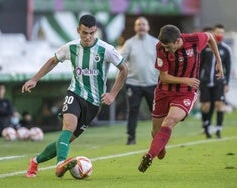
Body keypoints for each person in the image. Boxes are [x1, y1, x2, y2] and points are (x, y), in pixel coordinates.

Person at [22, 14, 128, 178]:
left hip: (93, 103)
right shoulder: (70, 47)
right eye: (85, 33)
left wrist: (113, 94)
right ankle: (60, 164)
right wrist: (35, 79)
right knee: (68, 127)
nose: (88, 37)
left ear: (96, 31)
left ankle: (35, 161)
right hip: (75, 93)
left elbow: (124, 69)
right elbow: (53, 61)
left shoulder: (106, 49)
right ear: (78, 30)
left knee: (66, 140)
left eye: (92, 33)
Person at [138, 25, 223, 173]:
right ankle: (160, 147)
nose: (166, 50)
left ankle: (149, 155)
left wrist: (218, 60)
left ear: (177, 41)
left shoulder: (194, 40)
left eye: (169, 47)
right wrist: (186, 79)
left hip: (186, 93)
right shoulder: (160, 47)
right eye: (164, 47)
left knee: (169, 121)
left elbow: (209, 37)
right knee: (155, 132)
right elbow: (164, 77)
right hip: (163, 91)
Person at [120, 17, 159, 145]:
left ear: (148, 27)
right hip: (133, 84)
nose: (141, 26)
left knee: (156, 113)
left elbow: (162, 62)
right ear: (135, 27)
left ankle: (159, 137)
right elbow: (121, 62)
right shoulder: (129, 43)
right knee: (132, 111)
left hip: (152, 83)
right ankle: (131, 138)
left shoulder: (156, 43)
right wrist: (120, 77)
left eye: (143, 24)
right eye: (138, 24)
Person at [199, 24, 231, 139]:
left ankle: (218, 129)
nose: (220, 35)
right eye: (218, 32)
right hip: (205, 81)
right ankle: (206, 125)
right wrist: (197, 79)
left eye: (222, 33)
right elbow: (199, 65)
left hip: (219, 82)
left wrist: (226, 83)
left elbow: (228, 66)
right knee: (206, 105)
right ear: (214, 33)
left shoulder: (226, 49)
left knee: (219, 104)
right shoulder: (206, 47)